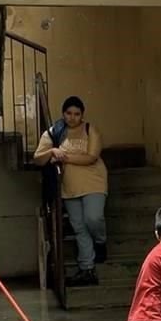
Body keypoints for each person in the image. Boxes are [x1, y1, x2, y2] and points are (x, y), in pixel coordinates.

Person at [33, 96, 108, 286]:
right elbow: (38, 159)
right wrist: (51, 152)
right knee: (79, 227)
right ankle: (87, 268)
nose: (72, 117)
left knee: (93, 218)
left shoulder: (90, 130)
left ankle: (100, 241)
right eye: (68, 113)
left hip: (94, 183)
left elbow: (91, 157)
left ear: (82, 115)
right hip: (68, 187)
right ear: (63, 113)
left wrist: (63, 156)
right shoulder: (54, 133)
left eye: (77, 114)